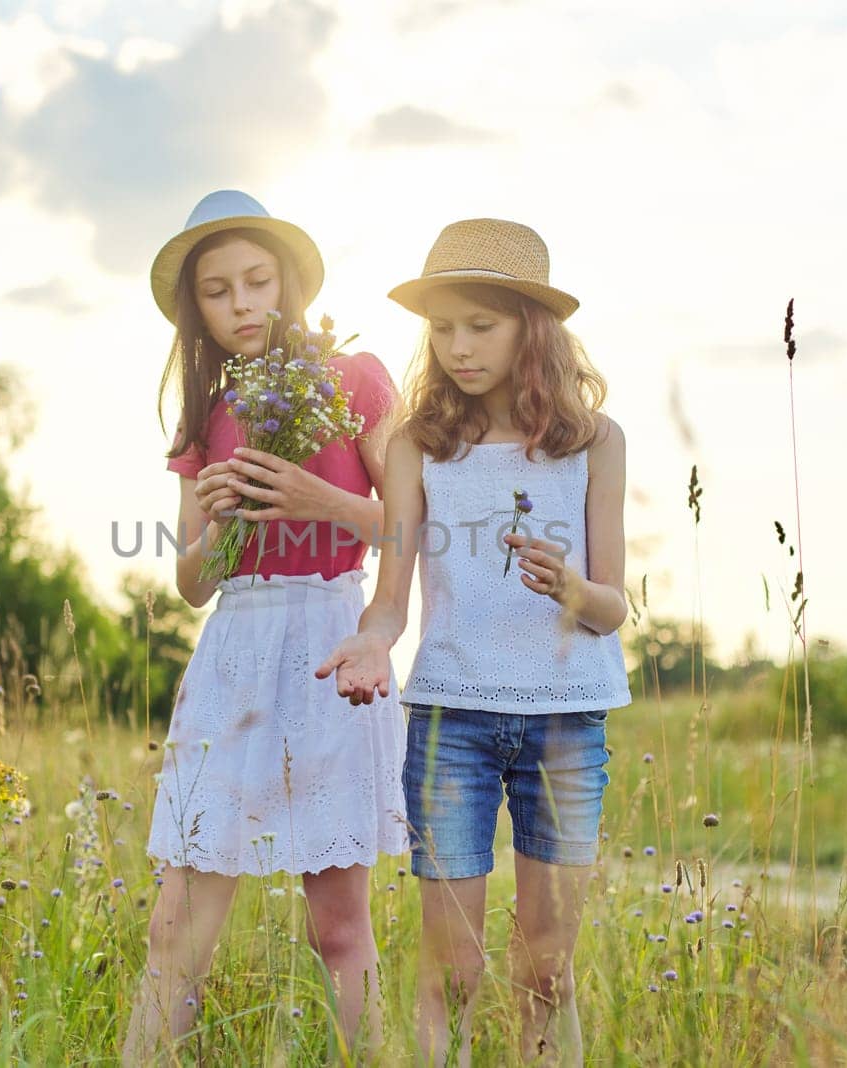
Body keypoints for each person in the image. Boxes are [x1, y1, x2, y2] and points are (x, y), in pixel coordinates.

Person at [316, 218, 631, 1066]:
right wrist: (371, 643)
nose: (457, 346)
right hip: (450, 719)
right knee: (453, 967)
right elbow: (390, 603)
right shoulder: (420, 445)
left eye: (479, 326)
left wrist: (571, 588)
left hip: (566, 722)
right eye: (442, 327)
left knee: (549, 968)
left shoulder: (596, 444)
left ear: (532, 326)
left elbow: (613, 609)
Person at [123, 190, 408, 1064]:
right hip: (236, 656)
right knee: (175, 927)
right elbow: (191, 584)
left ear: (288, 284)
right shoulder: (206, 414)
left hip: (329, 644)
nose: (242, 303)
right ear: (195, 309)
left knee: (338, 927)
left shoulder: (353, 376)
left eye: (257, 281)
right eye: (219, 290)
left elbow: (420, 520)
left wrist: (322, 500)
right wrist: (217, 521)